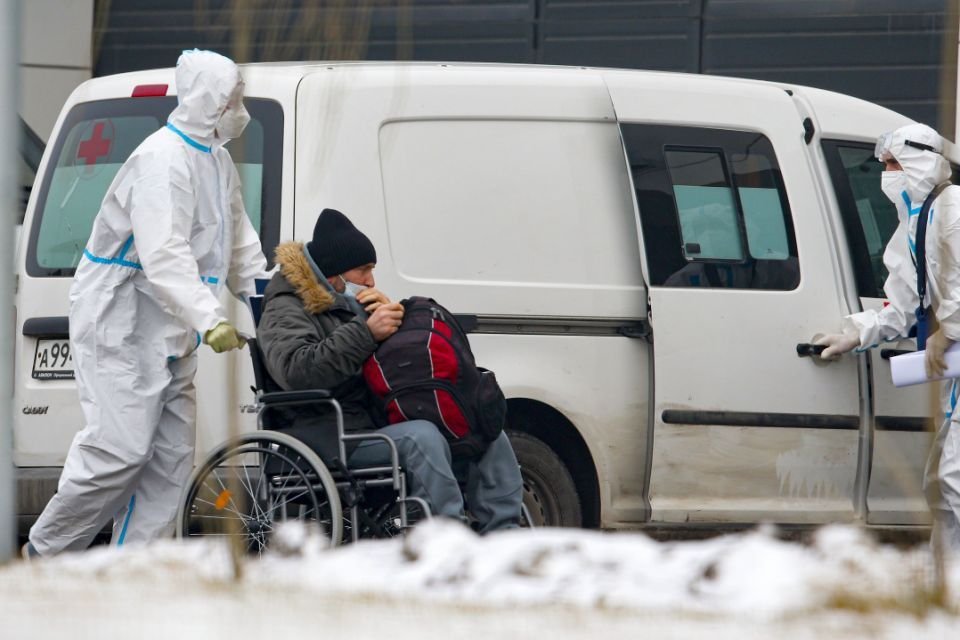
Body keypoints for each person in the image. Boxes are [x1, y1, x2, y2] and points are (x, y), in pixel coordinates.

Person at [25, 50, 269, 558]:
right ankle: (44, 553)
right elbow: (164, 255)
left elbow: (239, 241)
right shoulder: (162, 161)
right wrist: (211, 319)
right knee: (120, 450)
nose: (238, 108)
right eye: (232, 99)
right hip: (123, 318)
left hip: (169, 327)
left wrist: (261, 295)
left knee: (169, 462)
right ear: (208, 102)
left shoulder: (216, 160)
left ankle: (133, 571)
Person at [257, 208, 523, 532]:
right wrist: (367, 332)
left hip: (372, 420)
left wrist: (399, 325)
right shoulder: (284, 306)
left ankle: (504, 536)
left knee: (479, 426)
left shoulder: (347, 302)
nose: (370, 280)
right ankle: (446, 540)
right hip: (327, 433)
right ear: (332, 273)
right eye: (363, 270)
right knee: (422, 438)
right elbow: (296, 371)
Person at [815, 123, 960, 552]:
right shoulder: (916, 220)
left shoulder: (952, 209)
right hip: (954, 372)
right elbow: (903, 301)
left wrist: (947, 331)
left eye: (894, 164)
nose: (888, 174)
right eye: (884, 165)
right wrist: (857, 333)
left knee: (954, 481)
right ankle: (947, 583)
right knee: (941, 483)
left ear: (921, 161)